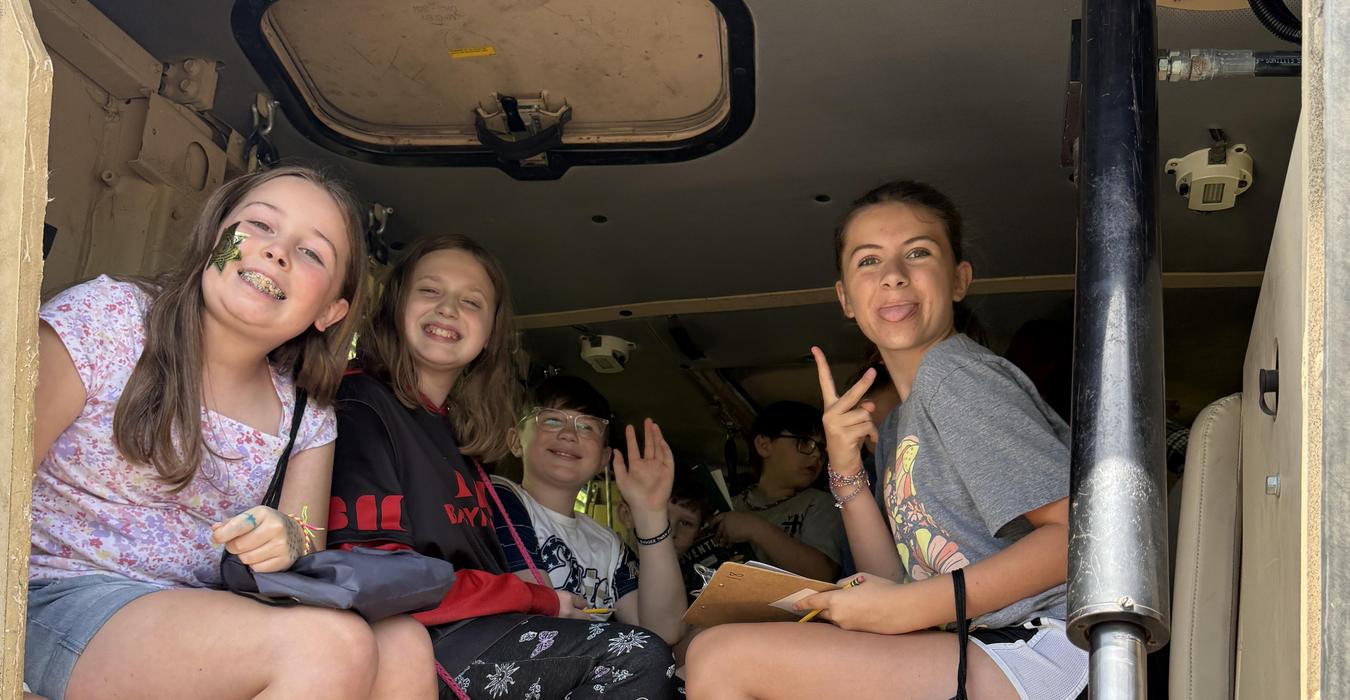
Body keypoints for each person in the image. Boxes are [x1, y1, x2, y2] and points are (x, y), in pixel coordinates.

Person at [22, 165, 429, 700]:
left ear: (330, 311)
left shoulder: (305, 415)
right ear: (215, 236)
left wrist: (285, 537)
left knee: (404, 643)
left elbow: (305, 538)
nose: (276, 251)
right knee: (328, 646)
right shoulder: (106, 319)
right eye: (260, 225)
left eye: (312, 253)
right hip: (54, 596)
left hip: (194, 609)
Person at [686, 180, 1087, 700]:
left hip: (1043, 649)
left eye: (918, 253)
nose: (893, 275)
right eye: (869, 261)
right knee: (708, 648)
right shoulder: (900, 425)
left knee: (721, 658)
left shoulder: (958, 376)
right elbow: (891, 579)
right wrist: (845, 467)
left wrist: (910, 608)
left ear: (959, 280)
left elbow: (1078, 538)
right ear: (845, 299)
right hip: (976, 646)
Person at [327, 234, 682, 699]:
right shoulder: (360, 403)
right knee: (635, 658)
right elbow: (372, 573)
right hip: (416, 643)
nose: (448, 309)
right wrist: (532, 596)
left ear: (491, 332)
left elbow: (664, 627)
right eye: (430, 291)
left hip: (475, 633)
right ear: (394, 303)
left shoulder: (456, 439)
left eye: (471, 302)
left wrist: (651, 513)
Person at [491, 375, 687, 644]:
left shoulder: (607, 544)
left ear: (603, 459)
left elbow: (664, 631)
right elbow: (539, 617)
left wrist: (650, 511)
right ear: (515, 441)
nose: (569, 434)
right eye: (552, 420)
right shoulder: (500, 496)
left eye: (586, 427)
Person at [710, 401, 844, 581]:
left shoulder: (821, 504)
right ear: (764, 445)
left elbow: (822, 576)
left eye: (821, 448)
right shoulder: (729, 507)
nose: (817, 455)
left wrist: (756, 529)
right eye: (805, 442)